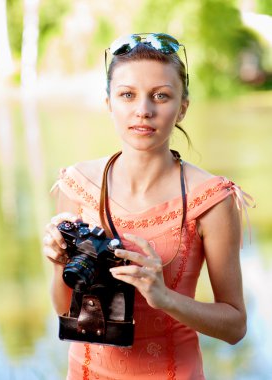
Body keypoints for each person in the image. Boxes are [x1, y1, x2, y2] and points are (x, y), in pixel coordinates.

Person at [43, 33, 253, 380]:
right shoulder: (78, 184)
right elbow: (64, 308)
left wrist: (164, 297)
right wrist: (57, 265)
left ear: (182, 106)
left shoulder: (211, 198)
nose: (143, 109)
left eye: (161, 95)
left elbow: (235, 327)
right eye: (127, 94)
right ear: (109, 102)